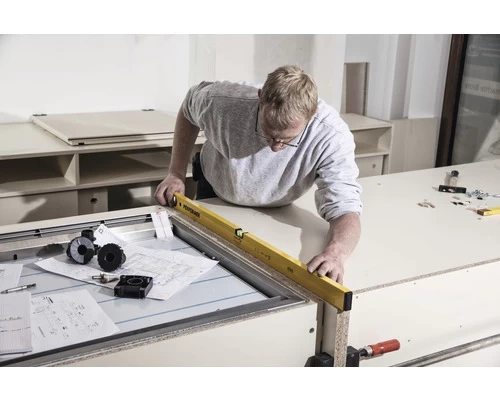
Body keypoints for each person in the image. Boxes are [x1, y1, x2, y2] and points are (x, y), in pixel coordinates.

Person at [154, 65, 362, 284]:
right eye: (268, 133)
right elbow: (188, 109)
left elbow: (345, 208)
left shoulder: (332, 135)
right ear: (260, 97)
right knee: (203, 271)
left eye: (287, 139)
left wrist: (336, 253)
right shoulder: (221, 101)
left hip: (280, 209)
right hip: (216, 192)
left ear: (313, 114)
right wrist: (175, 173)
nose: (275, 147)